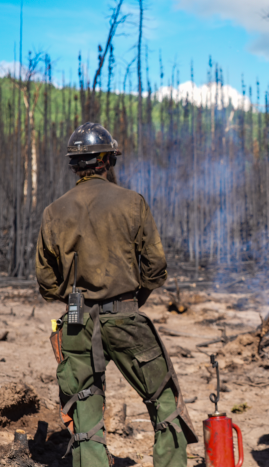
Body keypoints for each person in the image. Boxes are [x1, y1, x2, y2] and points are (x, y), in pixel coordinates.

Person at [36, 122, 198, 467]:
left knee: (84, 403)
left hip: (77, 321)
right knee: (163, 398)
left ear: (74, 165)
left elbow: (46, 282)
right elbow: (155, 266)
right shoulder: (131, 202)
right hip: (124, 316)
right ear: (108, 160)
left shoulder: (54, 212)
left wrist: (74, 295)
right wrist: (134, 298)